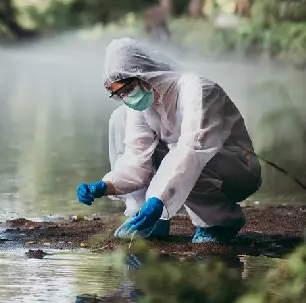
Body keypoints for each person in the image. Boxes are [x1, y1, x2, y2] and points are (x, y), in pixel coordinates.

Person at [76, 38, 262, 244]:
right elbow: (137, 157)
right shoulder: (145, 105)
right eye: (118, 94)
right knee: (120, 118)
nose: (126, 98)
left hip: (233, 171)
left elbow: (192, 151)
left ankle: (218, 221)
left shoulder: (199, 91)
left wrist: (158, 199)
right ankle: (148, 218)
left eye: (126, 90)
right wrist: (105, 185)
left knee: (188, 155)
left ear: (143, 75)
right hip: (188, 168)